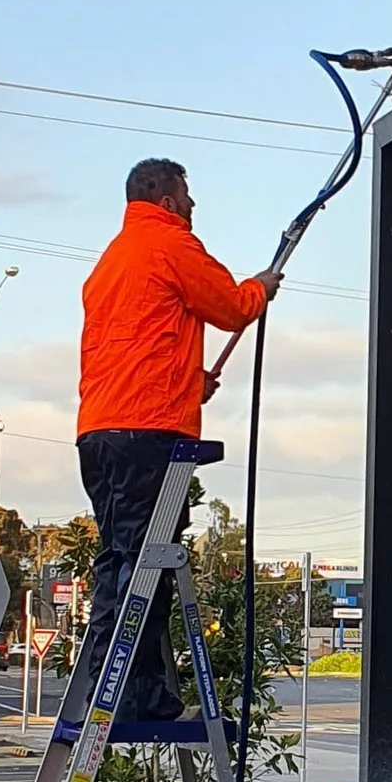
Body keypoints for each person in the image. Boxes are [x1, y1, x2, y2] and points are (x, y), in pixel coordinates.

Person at [75, 158, 276, 726]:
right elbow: (230, 305)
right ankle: (126, 696)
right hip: (147, 431)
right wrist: (260, 290)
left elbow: (138, 344)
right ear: (164, 199)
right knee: (145, 564)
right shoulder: (168, 244)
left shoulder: (113, 260)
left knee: (123, 558)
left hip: (101, 431)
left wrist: (189, 382)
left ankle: (114, 689)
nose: (193, 206)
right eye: (187, 195)